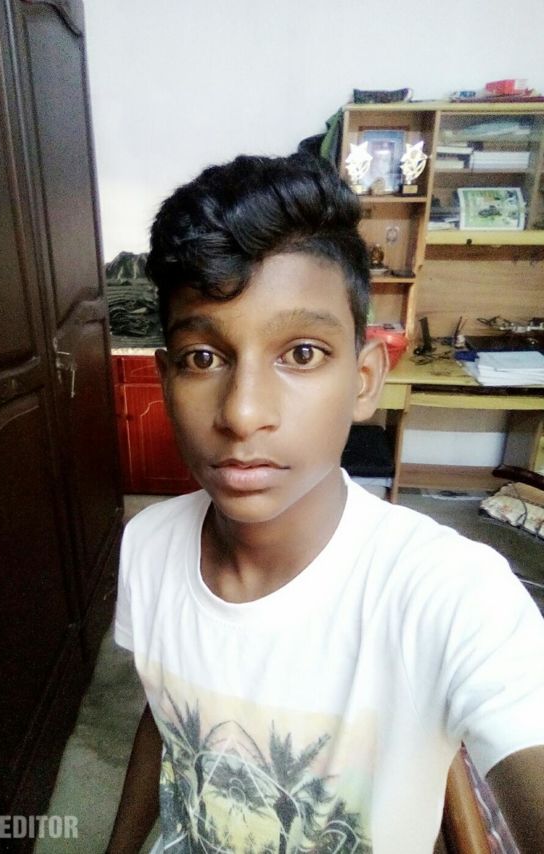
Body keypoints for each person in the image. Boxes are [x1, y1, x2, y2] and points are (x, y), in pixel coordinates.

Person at [107, 153, 544, 853]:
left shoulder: (451, 593)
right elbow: (166, 717)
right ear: (166, 380)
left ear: (365, 379)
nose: (243, 413)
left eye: (302, 353)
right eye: (203, 358)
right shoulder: (148, 545)